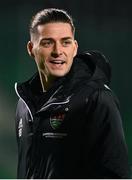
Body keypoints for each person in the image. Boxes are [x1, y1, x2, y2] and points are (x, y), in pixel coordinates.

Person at [15, 8, 130, 179]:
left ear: (75, 48)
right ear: (31, 48)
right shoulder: (24, 104)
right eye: (47, 43)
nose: (57, 51)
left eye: (65, 42)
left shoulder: (97, 98)